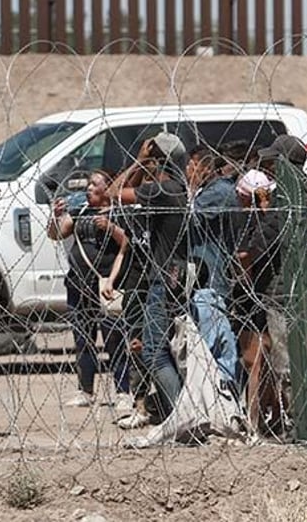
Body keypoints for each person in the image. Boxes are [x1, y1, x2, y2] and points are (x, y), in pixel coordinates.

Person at [108, 132, 189, 417]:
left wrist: (138, 161)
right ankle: (178, 410)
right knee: (164, 349)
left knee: (153, 351)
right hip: (173, 274)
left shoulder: (164, 190)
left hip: (162, 278)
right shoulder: (179, 187)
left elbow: (113, 193)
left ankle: (182, 414)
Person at [47, 169, 132, 410]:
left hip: (105, 285)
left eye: (95, 185)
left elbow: (127, 243)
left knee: (113, 338)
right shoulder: (81, 210)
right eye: (88, 185)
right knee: (83, 339)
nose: (89, 189)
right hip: (78, 284)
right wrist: (55, 215)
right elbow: (56, 234)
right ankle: (85, 389)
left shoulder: (117, 213)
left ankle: (123, 391)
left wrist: (111, 227)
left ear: (107, 188)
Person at [231, 169, 287, 435]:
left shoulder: (262, 223)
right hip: (258, 296)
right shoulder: (261, 220)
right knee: (262, 360)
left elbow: (245, 259)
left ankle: (256, 419)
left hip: (259, 296)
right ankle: (269, 416)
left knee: (256, 360)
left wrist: (243, 272)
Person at [186, 144, 239, 300]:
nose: (189, 170)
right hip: (203, 271)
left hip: (212, 276)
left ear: (207, 168)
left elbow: (188, 219)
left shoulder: (218, 192)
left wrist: (191, 186)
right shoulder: (211, 189)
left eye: (193, 166)